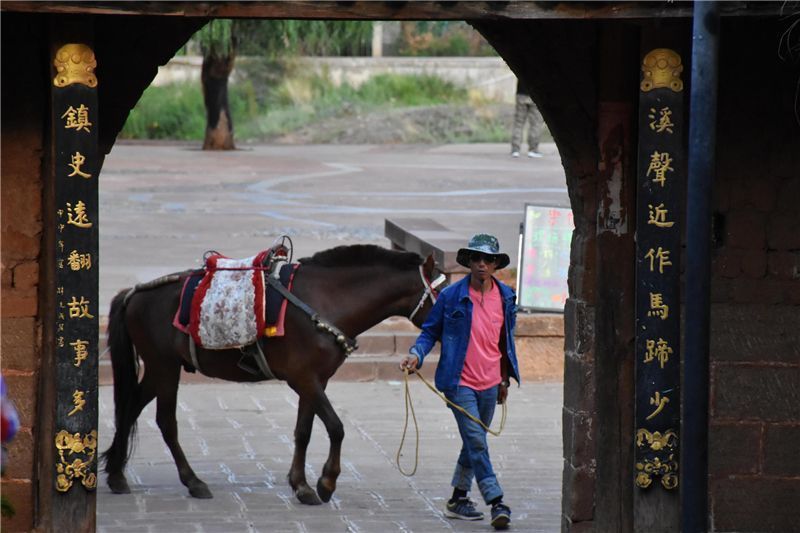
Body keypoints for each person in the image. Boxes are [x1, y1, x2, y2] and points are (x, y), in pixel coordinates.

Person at [400, 233, 520, 531]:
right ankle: (496, 502)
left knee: (473, 441)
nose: (482, 264)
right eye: (477, 258)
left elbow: (504, 342)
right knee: (477, 442)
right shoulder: (452, 296)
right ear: (468, 262)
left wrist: (503, 380)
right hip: (459, 382)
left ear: (495, 264)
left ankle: (458, 498)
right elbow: (430, 332)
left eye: (488, 259)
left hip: (491, 383)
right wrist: (416, 354)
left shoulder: (506, 297)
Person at [510, 78, 544, 158]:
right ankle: (533, 149)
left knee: (518, 123)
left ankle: (515, 149)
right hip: (535, 95)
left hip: (521, 94)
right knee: (536, 124)